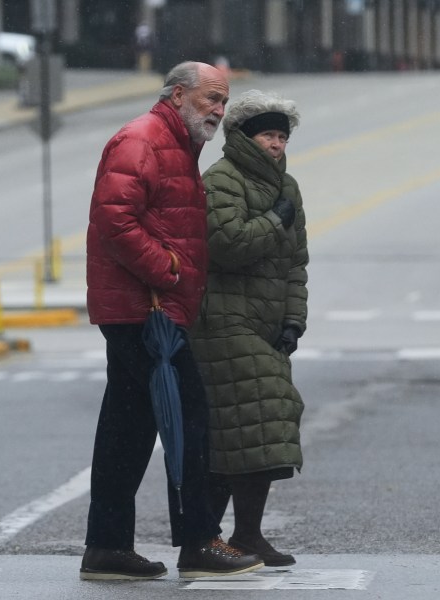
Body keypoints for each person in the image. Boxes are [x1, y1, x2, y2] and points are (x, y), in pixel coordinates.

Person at [81, 61, 264, 581]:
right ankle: (199, 540)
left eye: (224, 102)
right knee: (188, 419)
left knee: (127, 429)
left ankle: (107, 548)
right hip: (146, 310)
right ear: (179, 94)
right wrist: (168, 269)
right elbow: (115, 218)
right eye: (211, 99)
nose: (219, 111)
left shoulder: (176, 143)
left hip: (147, 307)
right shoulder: (143, 139)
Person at [189, 90, 309, 567]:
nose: (276, 145)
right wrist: (275, 221)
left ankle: (242, 535)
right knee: (260, 415)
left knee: (248, 428)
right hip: (222, 320)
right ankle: (210, 538)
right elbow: (228, 245)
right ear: (244, 137)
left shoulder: (288, 186)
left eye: (281, 136)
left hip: (266, 323)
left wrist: (295, 318)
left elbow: (296, 263)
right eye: (267, 135)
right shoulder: (221, 181)